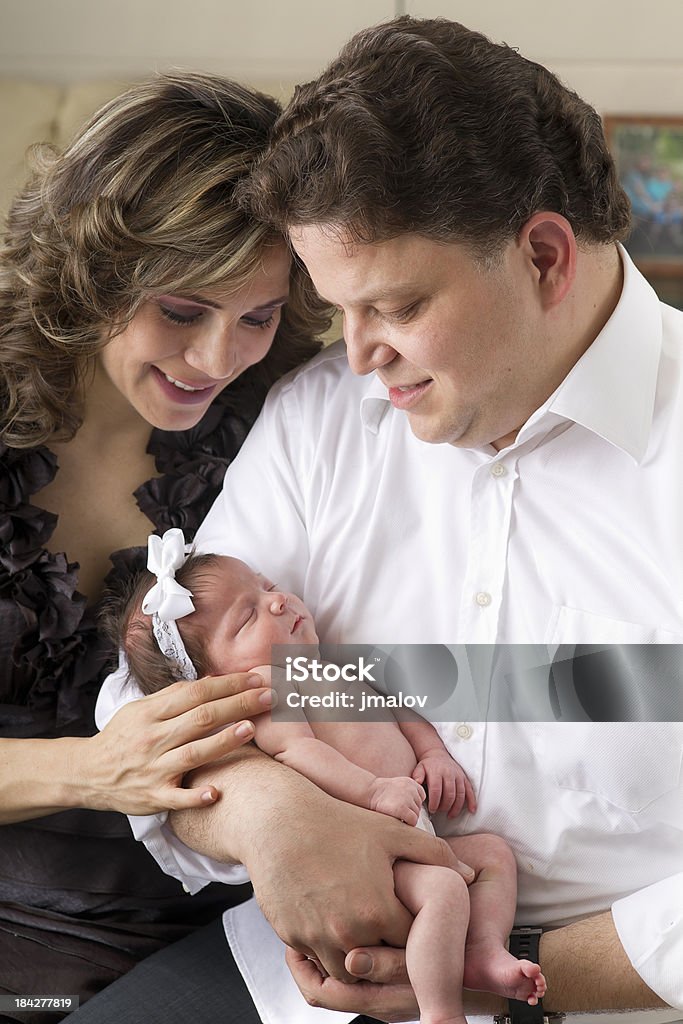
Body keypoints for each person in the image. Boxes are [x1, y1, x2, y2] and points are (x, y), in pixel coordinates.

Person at [97, 16, 683, 1024]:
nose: (357, 358)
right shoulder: (326, 415)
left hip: (605, 992)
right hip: (292, 976)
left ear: (543, 257)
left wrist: (510, 977)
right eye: (336, 312)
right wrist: (267, 813)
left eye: (396, 307)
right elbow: (157, 677)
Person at [0, 72, 335, 1023]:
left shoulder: (274, 426)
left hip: (224, 923)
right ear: (95, 269)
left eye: (259, 317)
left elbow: (336, 662)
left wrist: (319, 769)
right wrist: (92, 770)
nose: (217, 360)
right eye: (182, 311)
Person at [110, 531, 547, 1024]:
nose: (277, 601)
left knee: (492, 854)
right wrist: (375, 789)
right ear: (216, 682)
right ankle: (441, 1010)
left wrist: (433, 753)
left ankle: (486, 951)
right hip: (368, 854)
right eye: (249, 616)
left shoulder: (330, 660)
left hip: (415, 831)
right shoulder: (271, 698)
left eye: (266, 585)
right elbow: (304, 755)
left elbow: (395, 708)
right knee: (443, 893)